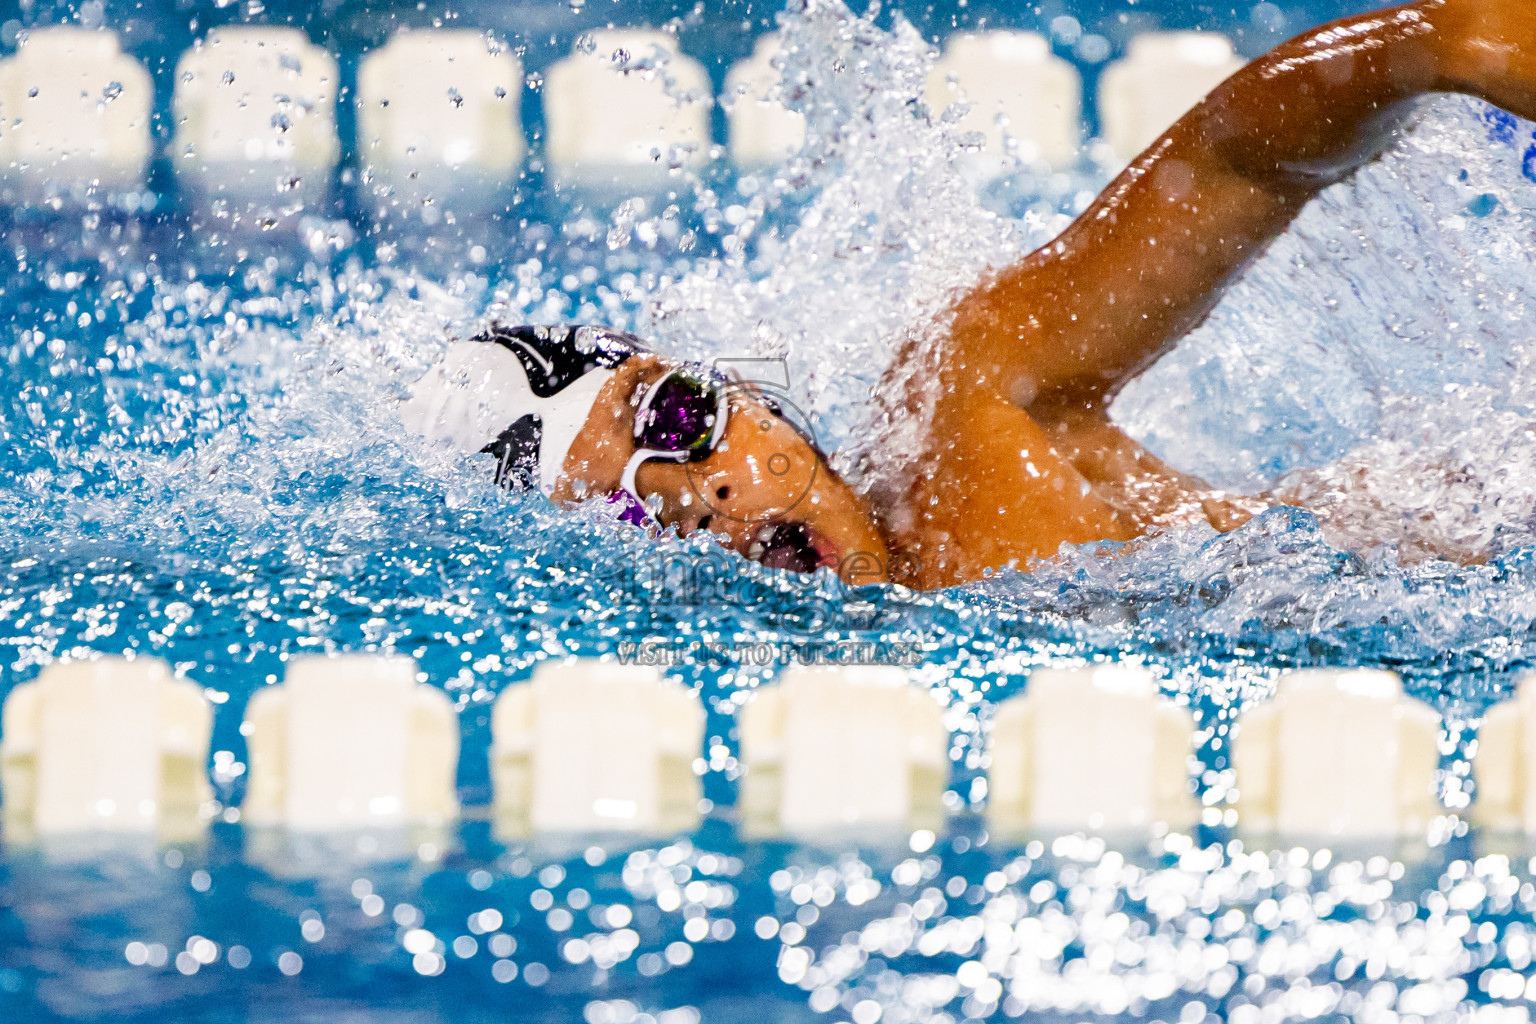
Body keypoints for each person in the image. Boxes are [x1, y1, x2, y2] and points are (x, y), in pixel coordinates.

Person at [404, 0, 1536, 590]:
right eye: (630, 509)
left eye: (678, 419)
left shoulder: (972, 415)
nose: (698, 493)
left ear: (745, 390)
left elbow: (1238, 156)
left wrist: (1450, 44)